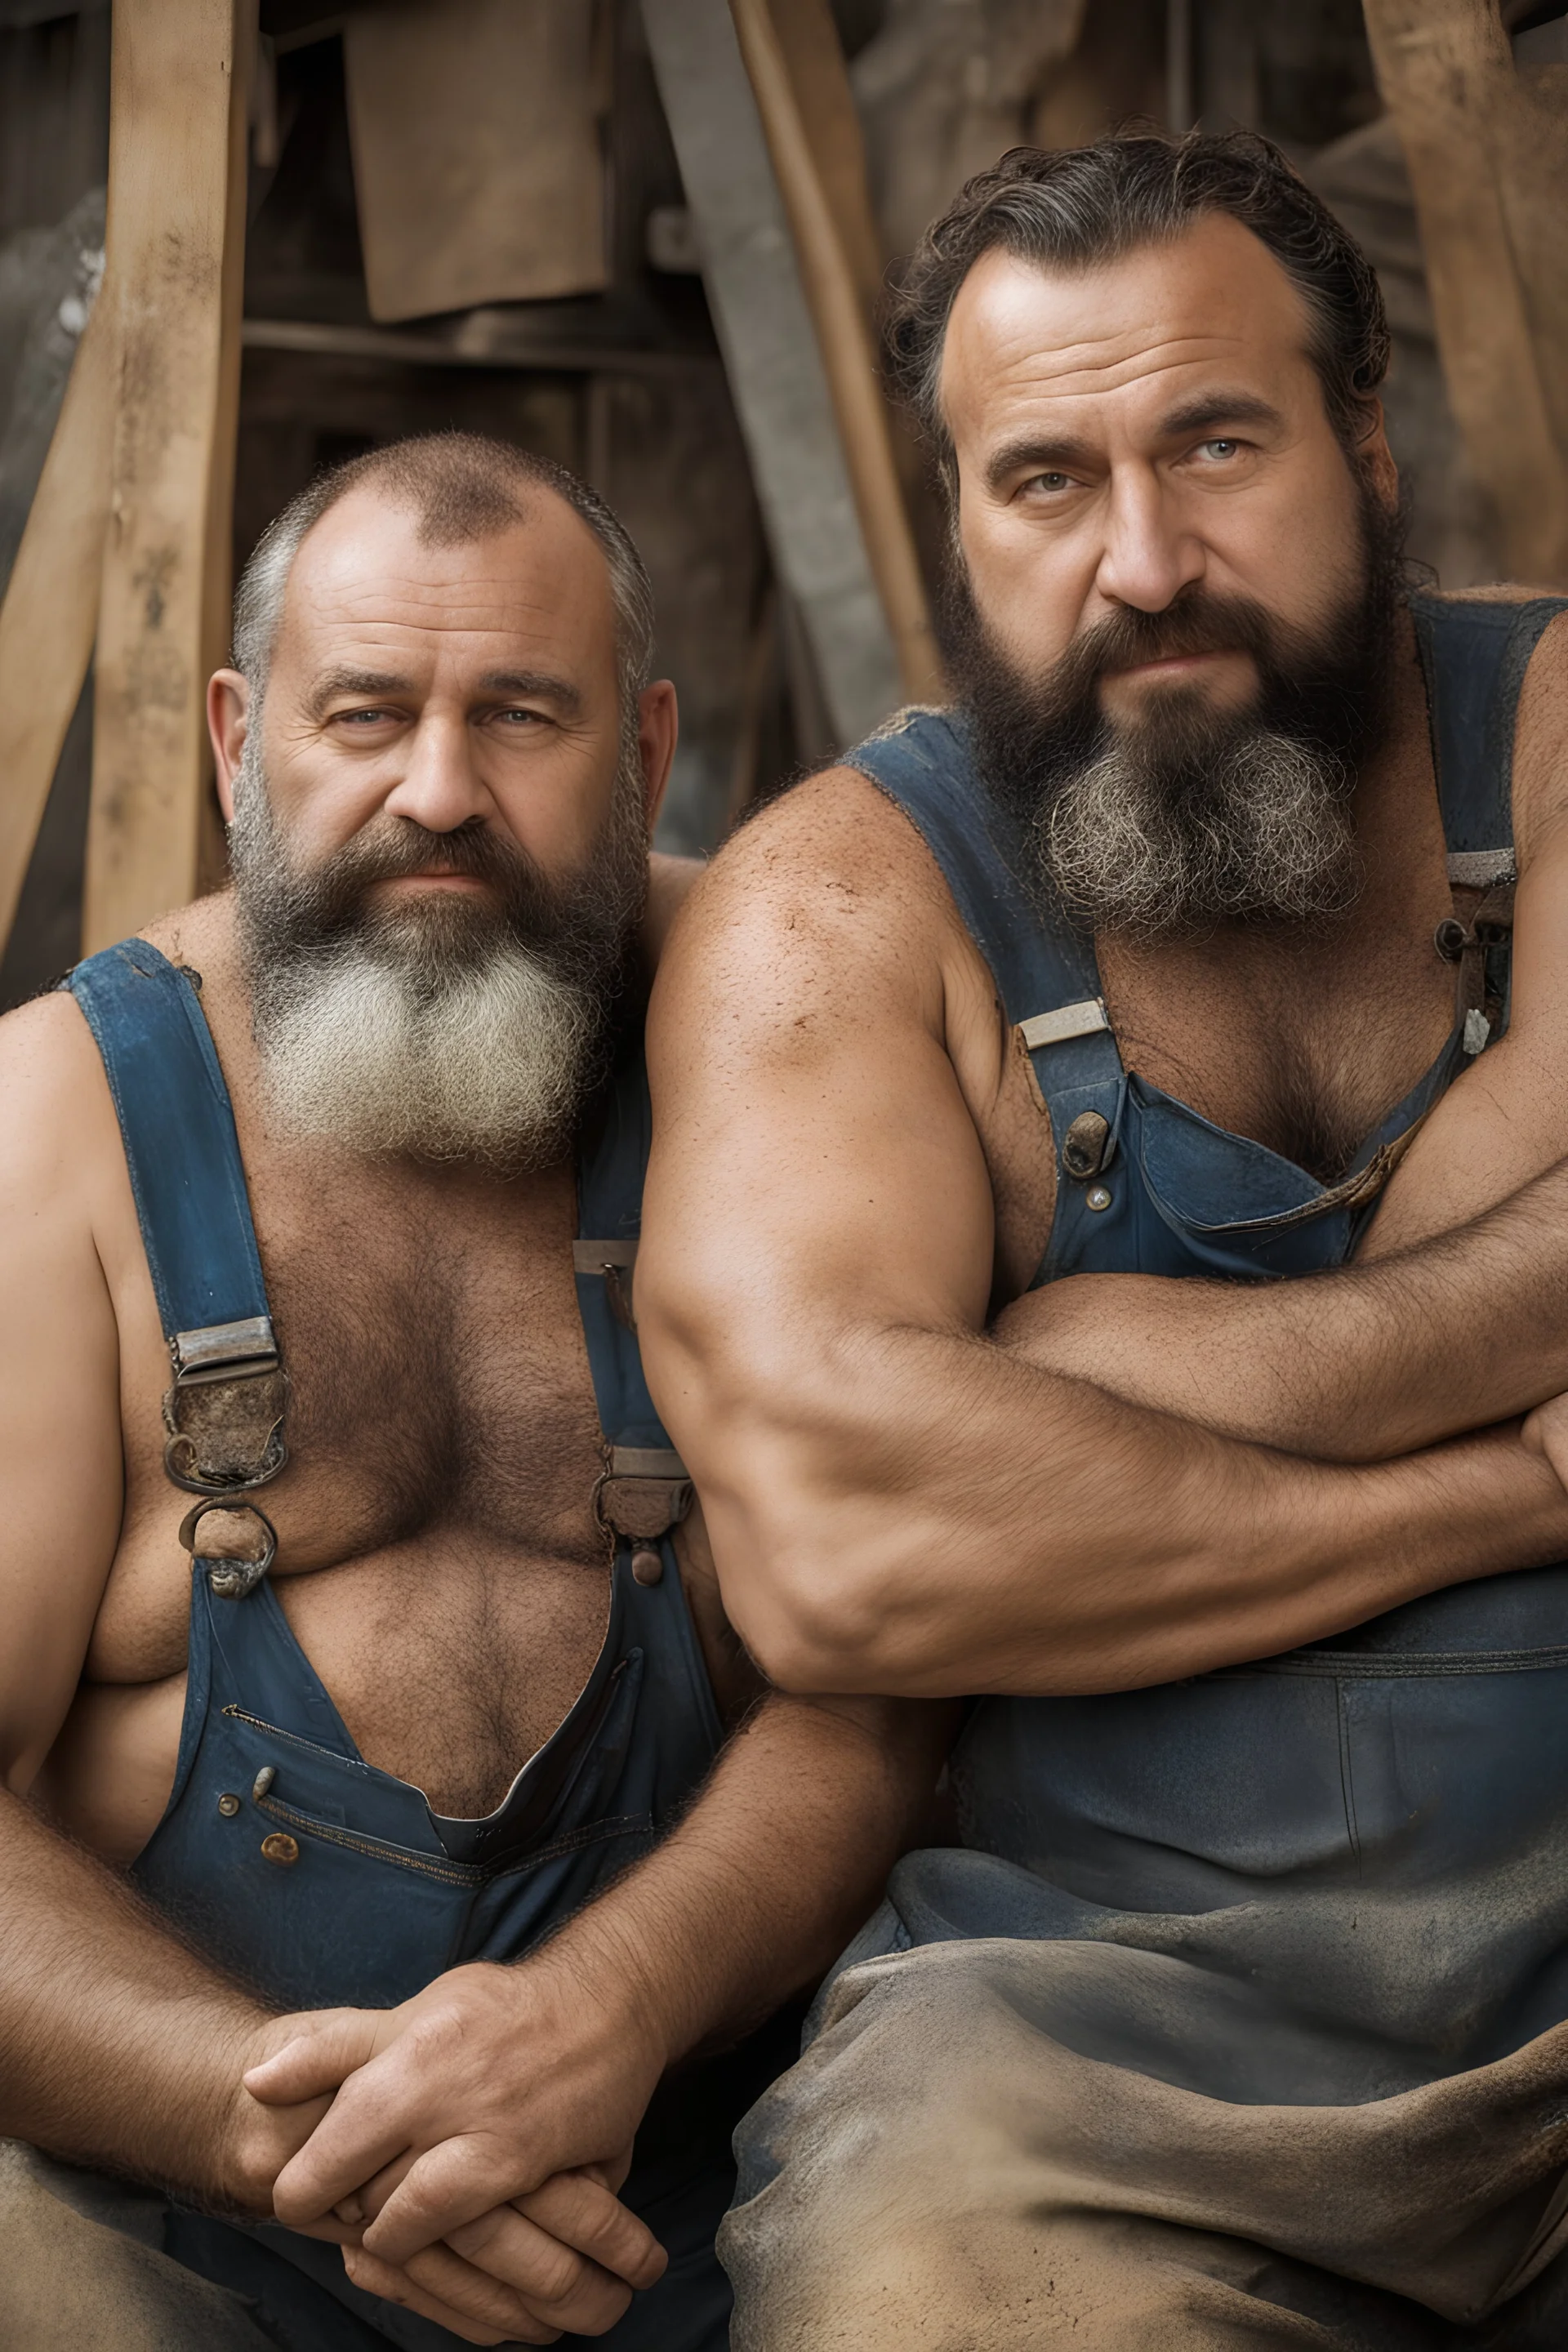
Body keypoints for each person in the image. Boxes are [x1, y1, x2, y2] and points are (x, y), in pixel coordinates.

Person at [638, 133, 1568, 2346]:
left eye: (1217, 445)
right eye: (1046, 480)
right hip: (1089, 2032)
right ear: (962, 518)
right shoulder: (837, 910)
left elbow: (945, 1472)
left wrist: (1080, 1361)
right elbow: (845, 1559)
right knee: (911, 2288)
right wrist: (1511, 1477)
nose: (1146, 561)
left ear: (1366, 448)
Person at [0, 432, 942, 2351]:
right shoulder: (57, 1126)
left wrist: (605, 2015)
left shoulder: (780, 1049)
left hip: (721, 2208)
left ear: (649, 752)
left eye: (522, 715)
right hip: (176, 2219)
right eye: (366, 716)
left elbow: (901, 1672)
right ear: (238, 741)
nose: (440, 793)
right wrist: (317, 2144)